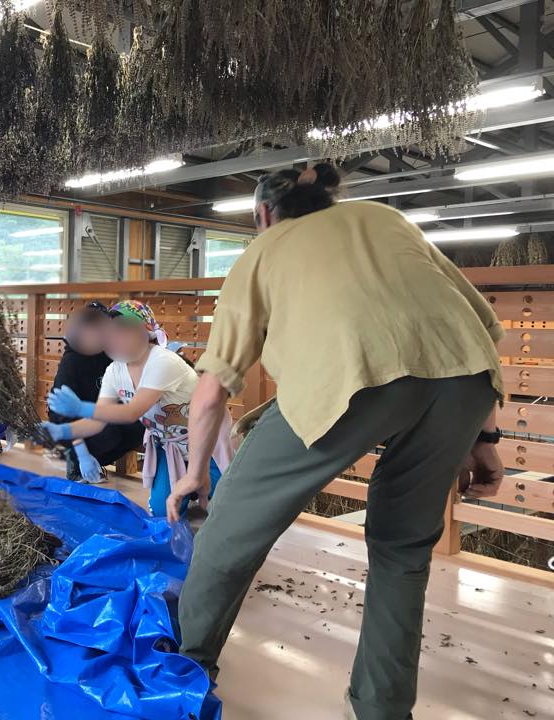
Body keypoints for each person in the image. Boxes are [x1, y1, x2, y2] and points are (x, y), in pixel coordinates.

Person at [169, 164, 506, 720]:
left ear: (261, 215)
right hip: (467, 381)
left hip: (348, 379)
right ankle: (382, 710)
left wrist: (195, 473)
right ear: (328, 201)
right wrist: (484, 439)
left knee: (229, 533)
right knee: (402, 551)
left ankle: (179, 676)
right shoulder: (386, 219)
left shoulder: (264, 249)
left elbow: (209, 393)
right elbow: (481, 324)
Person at [43, 300, 233, 515]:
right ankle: (186, 485)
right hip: (170, 446)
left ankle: (208, 482)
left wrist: (80, 408)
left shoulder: (161, 361)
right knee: (162, 511)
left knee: (226, 506)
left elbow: (131, 412)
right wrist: (64, 433)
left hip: (207, 442)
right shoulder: (112, 369)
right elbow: (95, 421)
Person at [49, 301, 145, 483]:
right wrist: (81, 451)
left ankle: (96, 462)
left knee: (137, 427)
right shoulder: (73, 361)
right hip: (72, 422)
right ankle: (76, 462)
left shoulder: (111, 354)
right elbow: (61, 414)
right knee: (109, 432)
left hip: (100, 414)